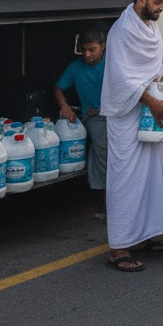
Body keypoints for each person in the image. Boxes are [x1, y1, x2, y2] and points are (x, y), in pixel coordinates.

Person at [102, 0, 163, 272]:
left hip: (149, 114)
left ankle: (145, 236)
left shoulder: (150, 26)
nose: (161, 8)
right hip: (127, 116)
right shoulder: (121, 31)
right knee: (126, 180)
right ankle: (119, 248)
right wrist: (151, 101)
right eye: (158, 2)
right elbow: (120, 77)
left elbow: (157, 64)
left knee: (152, 177)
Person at [54, 26, 108, 217]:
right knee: (102, 152)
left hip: (115, 115)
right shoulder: (76, 67)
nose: (87, 55)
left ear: (102, 47)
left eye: (92, 50)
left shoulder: (112, 64)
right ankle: (106, 202)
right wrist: (64, 106)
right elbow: (58, 88)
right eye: (84, 50)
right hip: (93, 118)